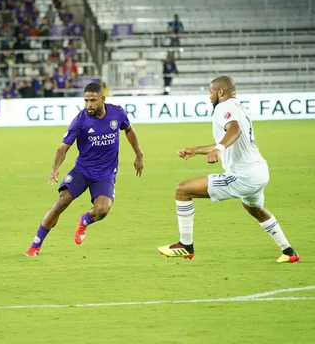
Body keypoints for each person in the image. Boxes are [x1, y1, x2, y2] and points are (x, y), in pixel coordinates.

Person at [157, 76, 300, 263]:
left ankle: (186, 245)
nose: (209, 97)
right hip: (259, 171)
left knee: (183, 190)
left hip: (243, 175)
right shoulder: (239, 107)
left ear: (220, 92)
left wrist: (218, 150)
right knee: (255, 209)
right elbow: (228, 139)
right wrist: (196, 150)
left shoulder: (223, 107)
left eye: (210, 92)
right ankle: (289, 252)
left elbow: (234, 130)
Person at [25, 83, 144, 256]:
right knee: (61, 203)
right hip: (82, 171)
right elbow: (63, 148)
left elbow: (129, 129)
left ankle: (84, 220)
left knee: (102, 210)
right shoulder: (80, 120)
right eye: (86, 100)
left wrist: (138, 155)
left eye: (93, 100)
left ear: (102, 99)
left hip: (105, 174)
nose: (89, 104)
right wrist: (55, 168)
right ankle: (35, 245)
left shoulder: (117, 113)